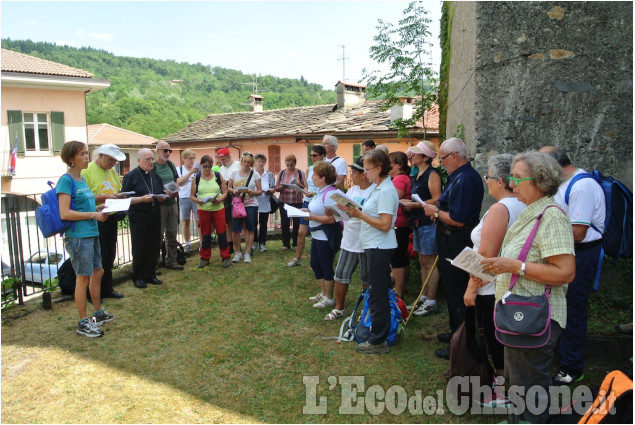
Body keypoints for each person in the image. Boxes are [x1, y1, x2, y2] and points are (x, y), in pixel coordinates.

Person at [480, 151, 575, 423]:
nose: (512, 183)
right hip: (520, 315)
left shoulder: (551, 216)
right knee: (519, 383)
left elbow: (566, 272)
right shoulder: (530, 212)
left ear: (540, 181)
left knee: (530, 386)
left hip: (534, 317)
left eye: (518, 178)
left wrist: (514, 267)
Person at [463, 154, 526, 406]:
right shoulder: (524, 204)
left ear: (500, 181)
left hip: (490, 285)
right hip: (511, 282)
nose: (486, 182)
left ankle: (504, 391)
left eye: (488, 177)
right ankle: (509, 386)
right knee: (505, 339)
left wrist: (470, 288)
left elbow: (487, 256)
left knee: (495, 339)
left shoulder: (501, 209)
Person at [540, 146, 606, 386]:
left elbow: (578, 232)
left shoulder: (582, 186)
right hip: (566, 251)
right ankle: (563, 355)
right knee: (560, 305)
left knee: (574, 309)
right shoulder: (565, 184)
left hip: (581, 254)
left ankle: (572, 366)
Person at [422, 137, 484, 360]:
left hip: (457, 240)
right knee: (452, 290)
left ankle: (461, 343)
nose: (441, 162)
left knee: (458, 292)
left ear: (455, 156)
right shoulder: (459, 176)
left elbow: (458, 218)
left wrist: (435, 213)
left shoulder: (466, 179)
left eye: (443, 157)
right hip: (448, 239)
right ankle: (456, 333)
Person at [340, 149, 398, 354]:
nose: (365, 173)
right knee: (375, 292)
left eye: (368, 169)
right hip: (373, 245)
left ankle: (378, 340)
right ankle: (378, 335)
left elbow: (385, 224)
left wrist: (359, 214)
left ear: (379, 168)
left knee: (378, 294)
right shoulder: (378, 187)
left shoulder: (385, 191)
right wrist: (354, 212)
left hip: (379, 247)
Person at [57, 141, 112, 337]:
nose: (87, 157)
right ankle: (83, 322)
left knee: (98, 271)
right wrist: (92, 215)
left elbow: (83, 206)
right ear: (71, 158)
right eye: (82, 154)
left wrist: (98, 210)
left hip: (91, 231)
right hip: (79, 236)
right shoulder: (66, 181)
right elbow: (65, 213)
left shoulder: (81, 179)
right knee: (83, 278)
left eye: (87, 153)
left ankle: (97, 313)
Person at [324, 156, 375, 320]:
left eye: (353, 173)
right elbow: (345, 215)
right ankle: (339, 307)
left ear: (363, 174)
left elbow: (375, 215)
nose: (351, 176)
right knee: (341, 273)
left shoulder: (374, 191)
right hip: (350, 238)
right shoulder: (352, 191)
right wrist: (334, 211)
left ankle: (366, 309)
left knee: (367, 277)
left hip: (366, 239)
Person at [400, 141, 442, 317]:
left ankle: (431, 300)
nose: (412, 156)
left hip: (427, 222)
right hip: (418, 221)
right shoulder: (417, 174)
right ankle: (424, 297)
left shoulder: (432, 174)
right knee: (423, 261)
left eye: (416, 154)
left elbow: (437, 199)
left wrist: (414, 204)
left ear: (425, 157)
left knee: (430, 262)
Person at [81, 144, 126, 300]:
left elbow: (117, 189)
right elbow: (82, 198)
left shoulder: (112, 171)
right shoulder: (86, 172)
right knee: (97, 256)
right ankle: (92, 292)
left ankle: (107, 288)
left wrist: (119, 196)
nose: (112, 163)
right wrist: (103, 198)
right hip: (95, 218)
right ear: (100, 156)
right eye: (110, 160)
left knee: (109, 254)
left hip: (110, 216)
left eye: (115, 161)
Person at [121, 148, 166, 289]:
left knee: (154, 245)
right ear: (139, 160)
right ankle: (138, 276)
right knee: (140, 246)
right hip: (139, 216)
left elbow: (160, 191)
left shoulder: (155, 175)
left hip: (154, 214)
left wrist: (163, 196)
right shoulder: (131, 176)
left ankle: (150, 274)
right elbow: (125, 197)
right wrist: (141, 199)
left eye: (152, 159)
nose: (151, 162)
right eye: (148, 159)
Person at [305, 161, 341, 309]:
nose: (312, 177)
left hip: (325, 236)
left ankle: (330, 297)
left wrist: (312, 217)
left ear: (323, 178)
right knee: (315, 263)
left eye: (315, 175)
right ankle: (324, 292)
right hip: (317, 235)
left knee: (326, 266)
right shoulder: (320, 192)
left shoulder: (330, 193)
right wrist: (308, 213)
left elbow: (332, 219)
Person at [287, 145, 326, 268]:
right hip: (308, 201)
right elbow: (308, 187)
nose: (312, 157)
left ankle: (318, 259)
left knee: (318, 232)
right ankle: (297, 258)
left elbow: (327, 188)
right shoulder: (310, 169)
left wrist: (313, 193)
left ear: (322, 156)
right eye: (311, 155)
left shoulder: (326, 169)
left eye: (315, 155)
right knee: (300, 232)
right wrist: (302, 190)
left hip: (319, 202)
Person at [190, 155, 230, 268]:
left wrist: (219, 200)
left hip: (218, 208)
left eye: (210, 166)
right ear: (201, 165)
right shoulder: (196, 177)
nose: (207, 169)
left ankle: (225, 257)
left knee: (222, 232)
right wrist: (198, 200)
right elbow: (191, 196)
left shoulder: (217, 176)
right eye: (205, 166)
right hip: (203, 209)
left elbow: (225, 192)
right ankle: (204, 258)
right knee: (205, 234)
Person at [228, 152, 262, 263]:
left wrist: (252, 192)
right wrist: (234, 191)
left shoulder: (255, 174)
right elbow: (228, 187)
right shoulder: (234, 172)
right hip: (238, 203)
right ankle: (237, 252)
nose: (246, 164)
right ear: (241, 161)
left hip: (251, 204)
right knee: (236, 229)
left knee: (250, 228)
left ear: (251, 163)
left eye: (248, 162)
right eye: (244, 161)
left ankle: (247, 252)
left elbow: (260, 191)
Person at [154, 141, 183, 271]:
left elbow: (175, 180)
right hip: (159, 205)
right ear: (157, 151)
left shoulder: (171, 165)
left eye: (169, 151)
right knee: (158, 235)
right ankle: (154, 265)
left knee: (172, 233)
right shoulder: (153, 167)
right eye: (165, 150)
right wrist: (163, 192)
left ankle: (171, 261)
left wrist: (175, 190)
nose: (167, 153)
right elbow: (152, 185)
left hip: (172, 203)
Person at [388, 151, 412, 299]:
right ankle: (402, 287)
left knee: (397, 259)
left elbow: (393, 199)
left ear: (398, 165)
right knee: (401, 258)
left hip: (399, 222)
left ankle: (398, 291)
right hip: (402, 222)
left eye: (390, 164)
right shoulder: (401, 178)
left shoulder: (399, 179)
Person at [275, 154, 306, 251]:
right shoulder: (282, 173)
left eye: (291, 165)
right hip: (284, 201)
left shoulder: (300, 173)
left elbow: (304, 186)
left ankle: (295, 244)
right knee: (285, 223)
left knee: (297, 223)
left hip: (297, 201)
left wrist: (298, 184)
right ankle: (286, 244)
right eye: (287, 165)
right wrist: (282, 187)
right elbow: (276, 187)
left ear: (295, 163)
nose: (289, 167)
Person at [175, 149, 200, 254]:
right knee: (185, 221)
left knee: (199, 221)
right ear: (184, 159)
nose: (192, 160)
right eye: (190, 158)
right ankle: (187, 243)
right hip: (184, 197)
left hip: (195, 197)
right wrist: (191, 172)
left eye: (193, 158)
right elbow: (179, 182)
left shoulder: (197, 169)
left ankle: (202, 243)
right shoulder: (179, 169)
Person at [217, 147, 240, 254]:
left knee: (239, 220)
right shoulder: (221, 169)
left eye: (224, 159)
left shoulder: (237, 165)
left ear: (229, 157)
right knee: (227, 222)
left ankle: (239, 244)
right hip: (226, 196)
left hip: (236, 195)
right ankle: (229, 244)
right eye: (221, 160)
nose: (222, 162)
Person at [254, 153, 275, 253]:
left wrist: (269, 191)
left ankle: (262, 243)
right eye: (259, 161)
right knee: (253, 223)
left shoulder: (269, 174)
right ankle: (254, 242)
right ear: (255, 162)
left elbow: (273, 187)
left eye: (262, 161)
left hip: (265, 201)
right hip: (253, 201)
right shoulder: (252, 173)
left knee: (263, 223)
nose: (261, 163)